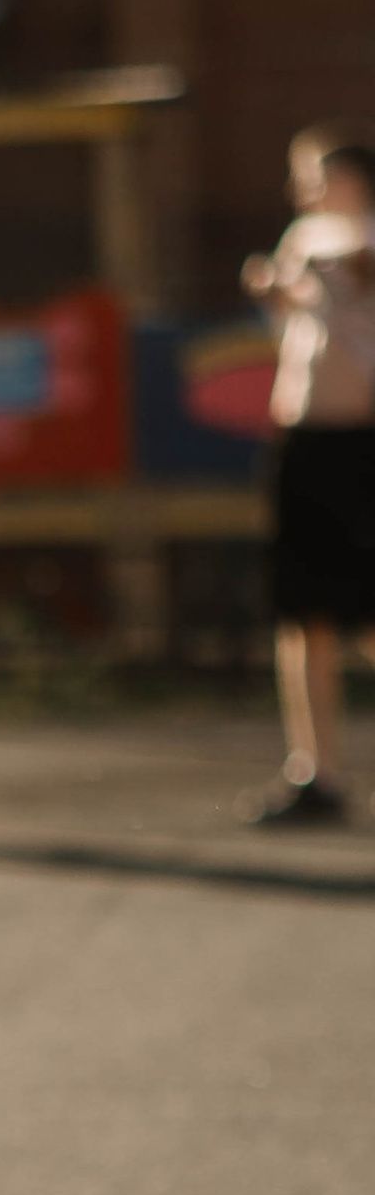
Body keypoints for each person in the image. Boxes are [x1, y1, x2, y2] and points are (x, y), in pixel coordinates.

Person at [240, 131, 375, 828]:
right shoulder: (303, 237)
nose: (304, 189)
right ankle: (315, 769)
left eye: (315, 175)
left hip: (365, 443)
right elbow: (299, 340)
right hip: (307, 440)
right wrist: (276, 293)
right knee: (303, 613)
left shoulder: (359, 241)